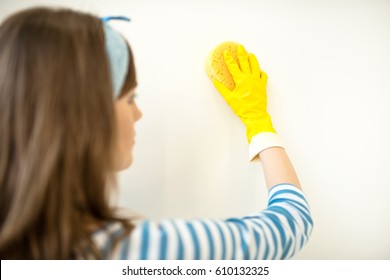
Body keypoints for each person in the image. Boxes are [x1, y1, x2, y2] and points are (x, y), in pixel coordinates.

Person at [0, 7, 313, 260]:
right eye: (130, 98)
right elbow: (290, 222)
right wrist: (257, 119)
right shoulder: (138, 253)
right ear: (86, 114)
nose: (138, 113)